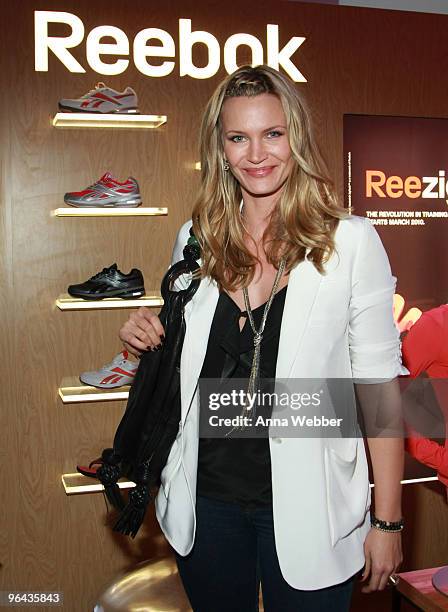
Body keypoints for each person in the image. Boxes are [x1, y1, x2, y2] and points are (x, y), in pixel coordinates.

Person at [119, 65, 406, 611]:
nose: (257, 153)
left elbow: (380, 390)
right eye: (238, 137)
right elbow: (185, 358)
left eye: (272, 134)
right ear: (221, 149)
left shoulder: (350, 242)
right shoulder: (195, 237)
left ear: (294, 136)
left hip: (313, 510)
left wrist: (387, 519)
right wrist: (143, 337)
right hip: (206, 504)